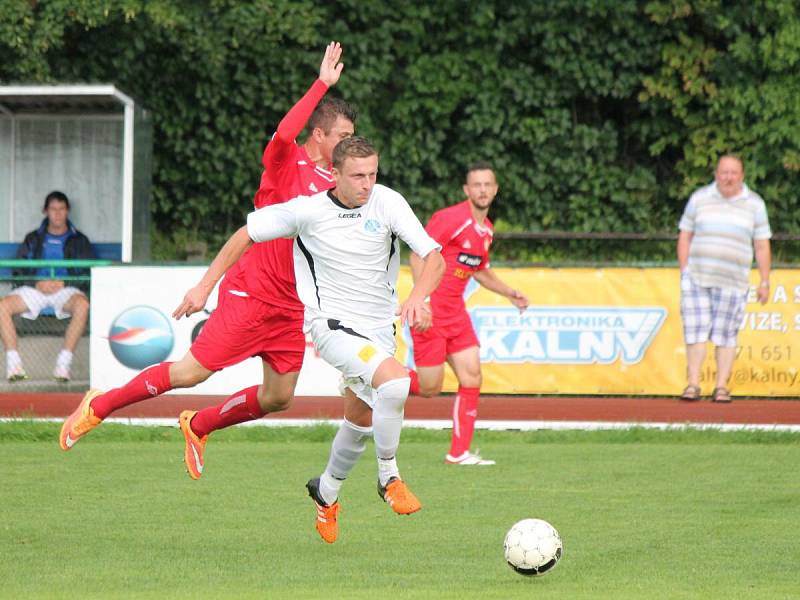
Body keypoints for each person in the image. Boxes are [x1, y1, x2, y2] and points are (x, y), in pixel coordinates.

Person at [59, 42, 355, 473]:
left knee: (279, 397)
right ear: (319, 133)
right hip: (252, 293)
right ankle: (99, 406)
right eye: (342, 137)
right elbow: (285, 133)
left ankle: (199, 425)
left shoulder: (338, 186)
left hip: (292, 307)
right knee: (189, 373)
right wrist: (321, 85)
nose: (348, 146)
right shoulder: (285, 162)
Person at [177, 137, 443, 543]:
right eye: (357, 176)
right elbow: (245, 233)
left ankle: (326, 491)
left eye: (373, 174)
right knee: (396, 382)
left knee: (360, 420)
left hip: (378, 332)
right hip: (331, 326)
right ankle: (389, 476)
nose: (366, 184)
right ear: (334, 174)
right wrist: (204, 287)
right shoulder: (308, 210)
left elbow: (433, 256)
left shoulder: (388, 202)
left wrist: (419, 296)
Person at [406, 162, 529, 465]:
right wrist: (422, 301)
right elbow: (417, 253)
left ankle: (458, 453)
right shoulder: (450, 218)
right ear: (467, 189)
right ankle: (371, 376)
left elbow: (481, 271)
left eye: (488, 185)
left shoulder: (486, 230)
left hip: (457, 316)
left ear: (495, 189)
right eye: (477, 185)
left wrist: (510, 292)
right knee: (430, 388)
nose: (483, 190)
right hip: (431, 314)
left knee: (472, 376)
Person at [677, 154, 771, 403]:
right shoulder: (699, 198)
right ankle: (693, 384)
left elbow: (761, 245)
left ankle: (721, 387)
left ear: (742, 175)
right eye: (723, 172)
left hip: (734, 280)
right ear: (716, 174)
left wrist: (764, 281)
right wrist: (684, 270)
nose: (728, 177)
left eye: (733, 173)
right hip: (697, 276)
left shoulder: (755, 204)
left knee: (726, 334)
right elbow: (685, 235)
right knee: (695, 331)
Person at [0, 191, 93, 382]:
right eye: (53, 209)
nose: (57, 214)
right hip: (36, 289)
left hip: (65, 290)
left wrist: (64, 283)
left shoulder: (79, 240)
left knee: (83, 305)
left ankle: (63, 365)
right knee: (2, 306)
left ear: (68, 211)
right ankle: (14, 366)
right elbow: (19, 271)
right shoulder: (33, 238)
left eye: (61, 209)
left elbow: (86, 272)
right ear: (45, 211)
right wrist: (36, 283)